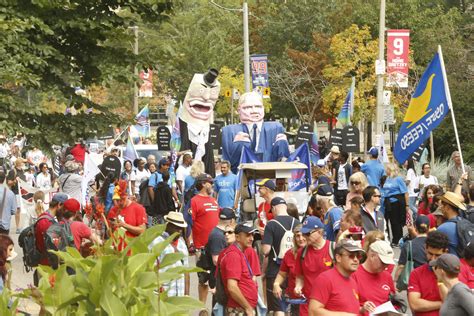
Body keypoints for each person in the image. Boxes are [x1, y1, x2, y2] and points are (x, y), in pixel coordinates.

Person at [221, 91, 290, 174]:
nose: (254, 111)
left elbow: (284, 162)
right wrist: (238, 146)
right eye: (248, 107)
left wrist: (283, 148)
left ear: (263, 108)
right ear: (239, 110)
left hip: (269, 180)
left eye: (258, 107)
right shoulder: (229, 131)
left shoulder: (275, 128)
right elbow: (228, 165)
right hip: (243, 179)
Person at [261, 197, 300, 315]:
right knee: (295, 306)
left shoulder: (271, 224)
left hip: (276, 269)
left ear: (273, 208)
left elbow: (266, 250)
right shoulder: (297, 222)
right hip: (294, 269)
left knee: (278, 307)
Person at [308, 240, 366, 315]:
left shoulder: (352, 281)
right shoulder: (325, 279)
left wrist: (362, 309)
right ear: (338, 258)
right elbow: (313, 311)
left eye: (358, 256)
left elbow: (348, 309)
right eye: (351, 255)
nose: (356, 259)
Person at [188, 173, 219, 303]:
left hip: (217, 247)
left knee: (217, 280)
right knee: (204, 280)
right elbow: (189, 223)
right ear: (202, 184)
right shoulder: (194, 201)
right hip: (202, 247)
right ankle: (202, 309)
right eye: (209, 182)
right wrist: (190, 242)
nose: (212, 184)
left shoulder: (214, 200)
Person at [294, 216, 333, 316]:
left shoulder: (333, 249)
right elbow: (300, 276)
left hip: (330, 306)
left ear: (320, 232)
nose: (304, 237)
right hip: (308, 306)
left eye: (308, 233)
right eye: (303, 233)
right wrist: (298, 286)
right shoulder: (301, 253)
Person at [218, 223, 258, 315]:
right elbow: (232, 287)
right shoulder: (233, 255)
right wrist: (247, 307)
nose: (251, 238)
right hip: (239, 309)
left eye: (252, 235)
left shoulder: (240, 252)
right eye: (248, 235)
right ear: (237, 237)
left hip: (243, 308)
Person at [407, 230, 450, 316]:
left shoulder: (453, 272)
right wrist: (442, 304)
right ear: (425, 248)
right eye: (430, 254)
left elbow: (451, 301)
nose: (433, 259)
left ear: (445, 252)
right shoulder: (416, 273)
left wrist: (440, 280)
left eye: (437, 255)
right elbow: (415, 304)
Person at [149, 212, 190, 296]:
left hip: (179, 294)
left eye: (180, 228)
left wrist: (186, 295)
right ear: (168, 226)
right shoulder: (157, 242)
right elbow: (151, 269)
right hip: (163, 293)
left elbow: (186, 271)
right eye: (176, 228)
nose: (179, 231)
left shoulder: (182, 245)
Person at [352, 240, 396, 315]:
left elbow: (393, 301)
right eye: (383, 262)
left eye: (387, 263)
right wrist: (361, 309)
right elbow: (345, 305)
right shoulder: (353, 275)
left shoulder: (387, 276)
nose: (386, 267)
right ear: (372, 256)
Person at [34, 192, 68, 285]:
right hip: (47, 267)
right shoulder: (47, 223)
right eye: (64, 208)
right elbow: (53, 248)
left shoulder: (44, 217)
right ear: (59, 205)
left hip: (43, 264)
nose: (65, 211)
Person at [204, 207, 236, 306]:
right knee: (219, 307)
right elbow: (216, 260)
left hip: (222, 276)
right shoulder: (217, 236)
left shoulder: (220, 233)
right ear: (231, 221)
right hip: (218, 277)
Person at [273, 224, 306, 316]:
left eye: (303, 235)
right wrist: (276, 284)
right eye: (297, 236)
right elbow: (282, 274)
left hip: (311, 300)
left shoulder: (313, 253)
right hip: (294, 300)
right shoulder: (289, 254)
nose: (301, 238)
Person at [107, 180, 147, 252]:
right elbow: (108, 233)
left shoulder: (138, 208)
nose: (119, 202)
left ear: (127, 196)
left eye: (122, 199)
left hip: (131, 250)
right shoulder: (113, 210)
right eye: (116, 200)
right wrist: (112, 228)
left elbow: (142, 230)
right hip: (116, 250)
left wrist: (123, 225)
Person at [395, 215, 430, 284]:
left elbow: (401, 266)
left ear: (415, 227)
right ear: (429, 228)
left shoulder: (408, 245)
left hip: (414, 280)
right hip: (429, 280)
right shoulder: (433, 244)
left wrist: (396, 280)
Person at [382, 163, 409, 246]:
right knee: (387, 221)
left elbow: (405, 192)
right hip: (387, 202)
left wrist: (407, 205)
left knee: (395, 222)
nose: (386, 170)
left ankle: (397, 239)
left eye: (387, 169)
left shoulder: (398, 179)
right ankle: (389, 239)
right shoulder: (387, 179)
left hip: (396, 202)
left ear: (391, 170)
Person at [437, 191, 466, 256]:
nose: (441, 208)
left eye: (442, 205)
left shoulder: (443, 228)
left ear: (447, 207)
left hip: (450, 264)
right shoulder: (465, 222)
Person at [6, 158, 26, 233]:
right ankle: (17, 228)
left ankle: (18, 227)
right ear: (19, 163)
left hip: (22, 193)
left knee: (19, 210)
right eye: (22, 162)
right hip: (15, 193)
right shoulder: (12, 171)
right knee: (17, 210)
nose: (24, 164)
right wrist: (15, 181)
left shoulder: (22, 171)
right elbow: (8, 182)